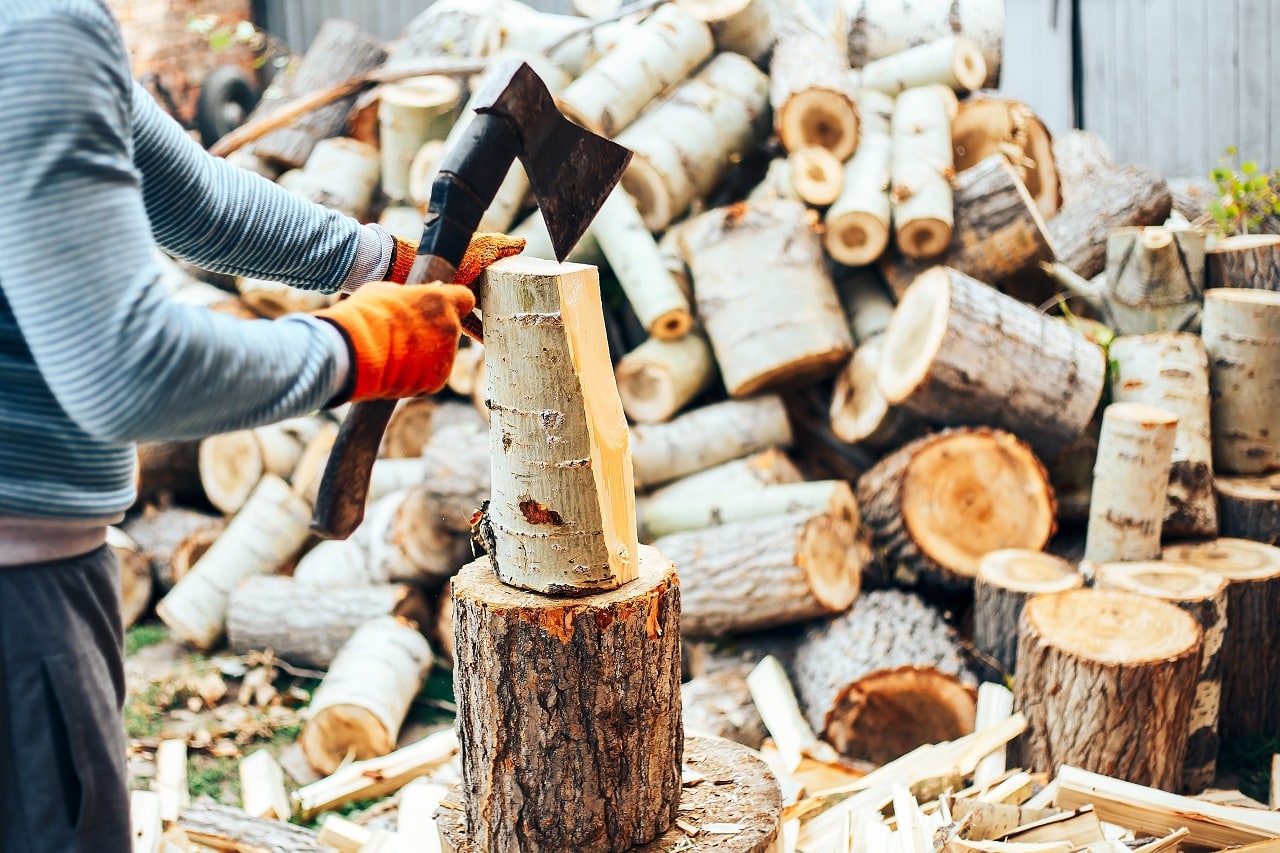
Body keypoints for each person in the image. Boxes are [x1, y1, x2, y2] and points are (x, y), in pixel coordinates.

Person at [0, 2, 521, 850]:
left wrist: (379, 262)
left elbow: (189, 195)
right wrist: (359, 347)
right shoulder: (37, 26)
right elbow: (128, 370)